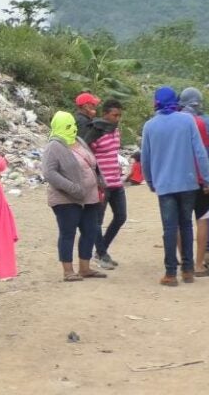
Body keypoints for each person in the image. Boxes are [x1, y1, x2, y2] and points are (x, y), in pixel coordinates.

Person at [141, 87, 209, 286]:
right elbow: (199, 152)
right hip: (188, 182)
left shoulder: (150, 126)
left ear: (156, 102)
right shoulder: (187, 121)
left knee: (170, 228)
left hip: (164, 185)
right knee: (186, 225)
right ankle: (188, 271)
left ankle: (171, 273)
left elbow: (145, 158)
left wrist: (149, 181)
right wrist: (207, 179)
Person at [42, 111, 106, 282]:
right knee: (68, 233)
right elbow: (49, 173)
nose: (73, 129)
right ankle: (68, 271)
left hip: (89, 197)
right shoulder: (53, 146)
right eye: (68, 126)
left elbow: (92, 163)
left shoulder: (78, 141)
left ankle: (85, 268)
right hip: (66, 199)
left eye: (74, 125)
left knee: (90, 231)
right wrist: (72, 188)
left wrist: (100, 180)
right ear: (59, 127)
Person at [83, 99, 126, 270]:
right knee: (97, 221)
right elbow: (86, 152)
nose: (117, 118)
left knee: (121, 217)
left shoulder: (115, 131)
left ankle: (102, 251)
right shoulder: (96, 130)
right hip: (101, 183)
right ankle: (101, 254)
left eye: (119, 115)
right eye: (115, 115)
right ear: (105, 114)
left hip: (116, 181)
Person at [179, 88, 209, 276]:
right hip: (201, 177)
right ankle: (203, 258)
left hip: (179, 179)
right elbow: (204, 152)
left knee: (180, 221)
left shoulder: (173, 121)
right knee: (203, 218)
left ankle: (184, 259)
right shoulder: (206, 122)